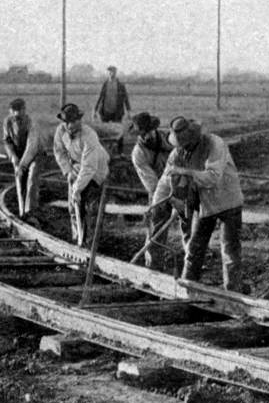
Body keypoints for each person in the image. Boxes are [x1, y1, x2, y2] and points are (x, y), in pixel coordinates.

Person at [148, 116, 245, 292]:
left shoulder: (214, 144)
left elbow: (212, 177)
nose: (184, 148)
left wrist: (185, 171)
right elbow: (165, 179)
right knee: (194, 249)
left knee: (229, 250)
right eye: (181, 145)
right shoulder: (179, 152)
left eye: (186, 144)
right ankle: (188, 289)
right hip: (205, 206)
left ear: (195, 137)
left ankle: (233, 292)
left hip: (228, 201)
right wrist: (156, 206)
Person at [53, 102, 110, 245]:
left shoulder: (89, 135)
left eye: (73, 121)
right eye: (67, 122)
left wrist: (77, 189)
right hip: (77, 168)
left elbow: (89, 166)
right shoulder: (61, 131)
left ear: (80, 120)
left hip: (97, 170)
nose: (70, 125)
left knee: (91, 209)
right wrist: (68, 172)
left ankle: (92, 244)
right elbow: (59, 152)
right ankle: (77, 239)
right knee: (73, 206)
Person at [130, 111, 181, 271]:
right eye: (142, 134)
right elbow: (152, 183)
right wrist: (168, 197)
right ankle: (153, 268)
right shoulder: (138, 153)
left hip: (179, 185)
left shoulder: (167, 139)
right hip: (159, 192)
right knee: (156, 230)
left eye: (148, 132)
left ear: (154, 129)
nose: (146, 136)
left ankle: (189, 270)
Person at [2, 98, 43, 219]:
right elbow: (7, 140)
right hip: (19, 155)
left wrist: (22, 165)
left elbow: (32, 146)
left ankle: (30, 212)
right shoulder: (7, 122)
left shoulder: (31, 122)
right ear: (10, 111)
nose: (17, 115)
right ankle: (22, 214)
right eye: (14, 112)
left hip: (35, 154)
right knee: (20, 180)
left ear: (24, 110)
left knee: (32, 178)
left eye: (20, 111)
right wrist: (13, 156)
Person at [93, 65, 131, 155]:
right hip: (105, 112)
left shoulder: (120, 85)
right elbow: (100, 97)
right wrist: (95, 110)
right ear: (108, 73)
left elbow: (125, 98)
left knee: (118, 131)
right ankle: (104, 152)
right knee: (104, 133)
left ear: (116, 73)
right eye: (110, 72)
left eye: (113, 72)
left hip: (117, 113)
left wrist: (128, 111)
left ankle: (120, 152)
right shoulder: (105, 84)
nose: (111, 74)